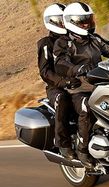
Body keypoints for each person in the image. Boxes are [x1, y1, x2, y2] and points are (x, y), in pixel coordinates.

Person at [53, 2, 109, 167]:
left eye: (89, 20)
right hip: (79, 88)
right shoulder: (63, 42)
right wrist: (77, 68)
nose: (87, 24)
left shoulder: (94, 39)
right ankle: (83, 150)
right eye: (83, 21)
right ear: (71, 22)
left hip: (101, 82)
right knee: (87, 108)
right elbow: (61, 63)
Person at [37, 3, 79, 160]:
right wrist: (64, 82)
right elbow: (45, 72)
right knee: (62, 99)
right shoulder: (46, 43)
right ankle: (63, 143)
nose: (64, 23)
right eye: (61, 21)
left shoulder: (74, 39)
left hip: (78, 81)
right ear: (52, 22)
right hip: (57, 87)